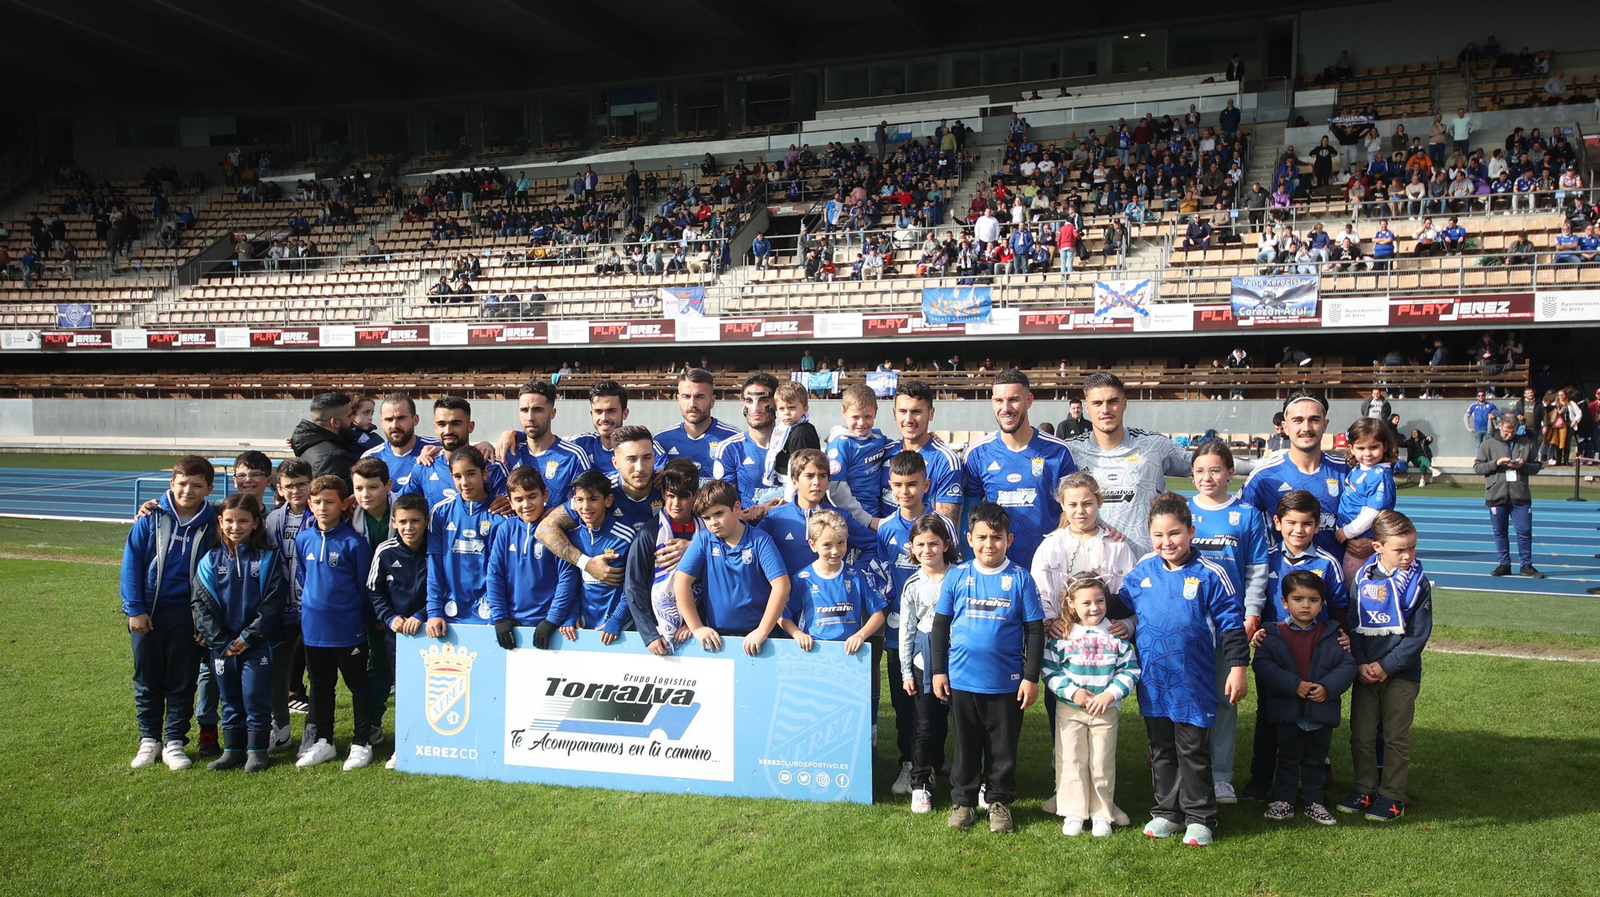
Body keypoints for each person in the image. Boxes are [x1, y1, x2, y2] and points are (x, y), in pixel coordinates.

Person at [1109, 494, 1247, 846]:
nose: (1166, 542)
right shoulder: (1142, 571)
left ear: (1191, 531)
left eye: (1174, 533)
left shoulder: (1211, 574)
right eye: (1158, 535)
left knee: (1192, 749)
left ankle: (1201, 816)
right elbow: (1118, 604)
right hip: (1153, 678)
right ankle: (1167, 812)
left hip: (1193, 679)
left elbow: (1232, 625)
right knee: (1161, 748)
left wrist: (1237, 668)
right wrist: (1087, 587)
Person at [932, 503, 1045, 834]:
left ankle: (999, 801)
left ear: (1008, 539)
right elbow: (940, 626)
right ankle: (964, 802)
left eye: (996, 537)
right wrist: (940, 671)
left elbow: (1035, 630)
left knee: (1002, 747)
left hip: (1006, 683)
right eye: (981, 537)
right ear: (969, 538)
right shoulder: (957, 575)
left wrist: (1030, 677)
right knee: (966, 745)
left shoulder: (1021, 579)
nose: (989, 544)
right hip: (963, 679)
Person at [1240, 489, 1349, 802]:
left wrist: (1341, 635)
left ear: (1317, 526)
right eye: (1291, 523)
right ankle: (1261, 778)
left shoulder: (1328, 563)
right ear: (1277, 522)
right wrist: (1258, 631)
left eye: (1306, 524)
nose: (1298, 530)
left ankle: (1312, 774)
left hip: (1315, 652)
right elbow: (1255, 602)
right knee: (1268, 716)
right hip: (1275, 653)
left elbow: (1339, 606)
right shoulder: (1266, 558)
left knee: (1311, 713)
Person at [121, 456, 218, 771]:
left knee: (183, 681)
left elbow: (217, 575)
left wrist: (206, 621)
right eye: (182, 483)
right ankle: (149, 739)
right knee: (147, 680)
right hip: (149, 614)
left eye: (197, 485)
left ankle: (174, 741)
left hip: (188, 616)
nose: (188, 490)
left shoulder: (213, 523)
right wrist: (135, 609)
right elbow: (131, 564)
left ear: (209, 488)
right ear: (171, 484)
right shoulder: (151, 517)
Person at [1187, 444, 1269, 805]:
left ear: (1230, 473)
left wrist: (1252, 612)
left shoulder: (1247, 515)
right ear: (1192, 474)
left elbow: (1256, 571)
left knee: (1224, 700)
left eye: (1216, 470)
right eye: (1201, 471)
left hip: (1228, 622)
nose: (1208, 477)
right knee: (1186, 697)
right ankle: (1182, 767)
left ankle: (1220, 775)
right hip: (1188, 622)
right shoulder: (1182, 510)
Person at [1340, 511, 1431, 823]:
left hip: (1401, 674)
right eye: (1399, 549)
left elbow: (1419, 635)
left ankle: (1392, 795)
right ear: (1378, 547)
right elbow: (1354, 624)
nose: (1407, 556)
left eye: (1412, 548)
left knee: (1395, 737)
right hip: (1365, 672)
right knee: (1362, 735)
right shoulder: (1363, 579)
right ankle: (1365, 788)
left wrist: (1387, 666)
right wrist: (1363, 663)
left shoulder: (1418, 583)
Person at [1252, 571, 1357, 826]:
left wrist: (1327, 688)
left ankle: (1315, 802)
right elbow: (1264, 666)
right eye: (1298, 599)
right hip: (1288, 712)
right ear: (1285, 602)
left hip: (1321, 713)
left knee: (1315, 761)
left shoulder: (1332, 634)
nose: (1306, 605)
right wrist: (1293, 685)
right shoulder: (1273, 634)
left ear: (1322, 604)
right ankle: (1283, 800)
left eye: (1313, 600)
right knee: (1287, 759)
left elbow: (1347, 666)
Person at [191, 493, 284, 772]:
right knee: (229, 698)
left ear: (256, 523)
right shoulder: (210, 559)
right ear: (220, 522)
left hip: (256, 645)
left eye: (243, 521)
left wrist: (248, 637)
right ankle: (232, 750)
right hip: (222, 646)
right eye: (229, 521)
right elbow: (200, 603)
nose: (236, 527)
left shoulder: (268, 558)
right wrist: (221, 641)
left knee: (255, 697)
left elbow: (273, 602)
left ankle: (256, 751)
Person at [1043, 575, 1141, 837]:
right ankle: (1074, 812)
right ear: (1071, 604)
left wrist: (1109, 695)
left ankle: (1102, 814)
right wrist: (1074, 693)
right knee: (1072, 759)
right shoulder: (1063, 635)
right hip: (1070, 709)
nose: (1094, 608)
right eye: (1086, 602)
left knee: (1101, 761)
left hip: (1105, 710)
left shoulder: (1115, 634)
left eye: (1099, 601)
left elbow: (1130, 671)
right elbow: (1050, 669)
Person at [1061, 371, 1195, 557]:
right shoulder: (1070, 452)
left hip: (1145, 566)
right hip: (1090, 570)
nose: (1105, 410)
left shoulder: (1153, 446)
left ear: (1124, 403)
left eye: (1113, 401)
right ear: (1087, 407)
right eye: (1097, 403)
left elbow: (1206, 463)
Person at [294, 475, 375, 770]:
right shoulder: (304, 539)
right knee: (321, 688)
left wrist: (359, 619)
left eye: (329, 501)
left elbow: (363, 586)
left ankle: (361, 742)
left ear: (343, 504)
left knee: (358, 687)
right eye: (316, 502)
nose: (322, 507)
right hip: (314, 631)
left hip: (348, 631)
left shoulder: (354, 543)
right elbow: (304, 575)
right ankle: (324, 741)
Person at [962, 370, 1078, 568]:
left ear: (1029, 400)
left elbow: (1072, 510)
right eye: (999, 400)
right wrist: (970, 564)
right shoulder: (978, 453)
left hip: (1049, 566)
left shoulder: (1058, 451)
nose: (1005, 408)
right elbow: (969, 513)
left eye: (1014, 399)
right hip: (996, 567)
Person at [673, 480, 791, 656]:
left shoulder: (760, 540)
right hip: (717, 640)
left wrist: (762, 631)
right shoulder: (704, 539)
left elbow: (782, 586)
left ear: (736, 508)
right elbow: (681, 582)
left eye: (719, 513)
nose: (713, 522)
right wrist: (697, 628)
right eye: (706, 518)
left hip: (759, 640)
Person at [897, 513, 959, 814]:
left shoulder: (961, 577)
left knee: (961, 723)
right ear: (911, 547)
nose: (927, 550)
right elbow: (907, 629)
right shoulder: (912, 584)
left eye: (933, 544)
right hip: (924, 662)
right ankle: (920, 783)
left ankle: (966, 780)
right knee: (925, 724)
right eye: (920, 544)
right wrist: (906, 671)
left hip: (959, 661)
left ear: (946, 545)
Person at [1241, 392, 1349, 561]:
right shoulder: (1264, 475)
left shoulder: (1346, 470)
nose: (1306, 428)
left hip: (1337, 580)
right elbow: (1239, 523)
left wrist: (1368, 539)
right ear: (1285, 427)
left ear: (1325, 425)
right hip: (1283, 581)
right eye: (1298, 420)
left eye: (1314, 419)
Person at [367, 492, 431, 769]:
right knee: (401, 689)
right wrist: (389, 617)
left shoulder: (435, 548)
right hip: (396, 634)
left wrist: (422, 615)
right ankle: (401, 745)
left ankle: (431, 741)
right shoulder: (385, 550)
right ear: (393, 521)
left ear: (426, 521)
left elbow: (445, 588)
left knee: (428, 689)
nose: (409, 527)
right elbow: (374, 590)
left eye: (415, 521)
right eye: (403, 521)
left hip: (431, 630)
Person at [622, 459, 703, 657]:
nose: (676, 504)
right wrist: (649, 634)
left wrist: (695, 622)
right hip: (657, 633)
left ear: (695, 496)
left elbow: (717, 581)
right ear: (663, 494)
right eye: (671, 496)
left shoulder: (706, 532)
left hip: (698, 629)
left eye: (683, 497)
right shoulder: (649, 534)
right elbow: (634, 585)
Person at [425, 446, 507, 635]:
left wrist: (499, 614)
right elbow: (435, 566)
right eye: (458, 476)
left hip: (490, 614)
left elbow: (504, 571)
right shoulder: (440, 513)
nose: (465, 482)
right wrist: (434, 611)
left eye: (471, 474)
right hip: (449, 612)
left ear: (485, 472)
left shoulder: (501, 515)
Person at [778, 510, 885, 655]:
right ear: (813, 545)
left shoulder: (856, 576)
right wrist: (798, 634)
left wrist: (860, 635)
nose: (835, 551)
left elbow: (878, 616)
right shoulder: (803, 579)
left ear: (847, 538)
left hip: (850, 652)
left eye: (840, 543)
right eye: (827, 545)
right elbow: (782, 616)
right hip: (813, 651)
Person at [264, 459, 313, 745]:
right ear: (280, 488)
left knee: (318, 672)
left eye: (301, 485)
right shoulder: (272, 520)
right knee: (276, 671)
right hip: (280, 609)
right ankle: (279, 728)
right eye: (290, 486)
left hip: (313, 608)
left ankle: (313, 728)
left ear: (311, 483)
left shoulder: (322, 514)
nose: (296, 491)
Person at [562, 470, 637, 640]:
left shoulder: (625, 537)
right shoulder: (571, 538)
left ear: (608, 500)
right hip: (582, 628)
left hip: (620, 628)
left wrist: (618, 618)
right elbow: (571, 583)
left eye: (593, 499)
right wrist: (571, 614)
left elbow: (633, 585)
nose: (586, 507)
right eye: (580, 500)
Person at [881, 380, 964, 522]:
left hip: (923, 543)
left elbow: (945, 526)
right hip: (881, 541)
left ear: (930, 413)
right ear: (895, 413)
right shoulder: (883, 452)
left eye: (916, 412)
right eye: (902, 411)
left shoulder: (945, 461)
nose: (908, 419)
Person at [1473, 414, 1543, 578]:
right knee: (1500, 532)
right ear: (1499, 427)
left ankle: (1526, 565)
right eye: (1506, 431)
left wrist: (1523, 465)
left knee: (1525, 531)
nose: (1509, 434)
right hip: (1497, 495)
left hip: (1520, 495)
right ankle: (1504, 564)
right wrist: (1496, 463)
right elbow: (1477, 467)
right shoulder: (1488, 445)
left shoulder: (1527, 444)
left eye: (1512, 431)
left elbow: (1537, 466)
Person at [500, 382, 589, 504]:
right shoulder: (508, 453)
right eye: (524, 410)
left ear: (552, 413)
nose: (530, 417)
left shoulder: (573, 456)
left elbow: (586, 501)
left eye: (538, 410)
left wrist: (554, 519)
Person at [713, 373, 786, 516]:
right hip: (747, 533)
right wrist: (749, 515)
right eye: (749, 400)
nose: (755, 408)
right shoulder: (729, 449)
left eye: (763, 399)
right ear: (742, 407)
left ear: (776, 404)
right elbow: (721, 509)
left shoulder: (794, 443)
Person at [1337, 419, 1399, 584]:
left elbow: (1373, 511)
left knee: (1353, 586)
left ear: (1384, 446)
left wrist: (1348, 531)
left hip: (1360, 542)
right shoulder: (1359, 467)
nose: (1367, 453)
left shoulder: (1380, 475)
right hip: (1348, 536)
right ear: (1351, 448)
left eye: (1374, 447)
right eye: (1361, 448)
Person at [655, 368, 741, 486]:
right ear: (678, 399)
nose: (692, 404)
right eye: (686, 396)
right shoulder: (661, 440)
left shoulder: (733, 438)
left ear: (712, 401)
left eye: (700, 396)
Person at [825, 384, 892, 525]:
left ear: (876, 412)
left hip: (876, 513)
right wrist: (867, 521)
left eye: (867, 416)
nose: (861, 423)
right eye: (855, 417)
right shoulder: (840, 445)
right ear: (844, 412)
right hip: (852, 519)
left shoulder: (878, 438)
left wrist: (927, 438)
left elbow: (902, 447)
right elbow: (836, 492)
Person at [361, 392, 438, 493]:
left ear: (415, 420)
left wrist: (443, 451)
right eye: (389, 419)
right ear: (382, 423)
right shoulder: (370, 458)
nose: (394, 425)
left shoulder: (435, 449)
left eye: (401, 418)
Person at [290, 392, 359, 485]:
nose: (353, 420)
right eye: (349, 416)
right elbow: (337, 496)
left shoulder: (308, 443)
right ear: (335, 423)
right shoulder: (334, 457)